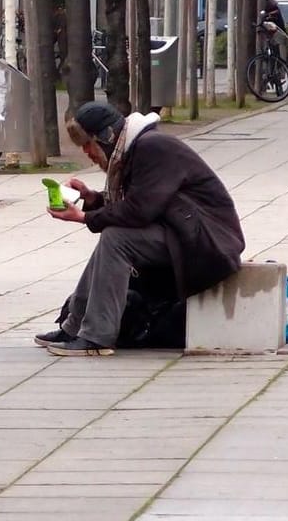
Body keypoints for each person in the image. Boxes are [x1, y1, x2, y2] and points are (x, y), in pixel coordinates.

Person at [35, 102, 246, 356]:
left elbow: (140, 209)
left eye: (87, 144)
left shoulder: (152, 147)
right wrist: (92, 198)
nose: (86, 152)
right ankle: (75, 327)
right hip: (182, 232)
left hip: (206, 242)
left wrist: (83, 217)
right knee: (113, 237)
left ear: (105, 137)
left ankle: (97, 337)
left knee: (116, 238)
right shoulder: (138, 149)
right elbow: (142, 201)